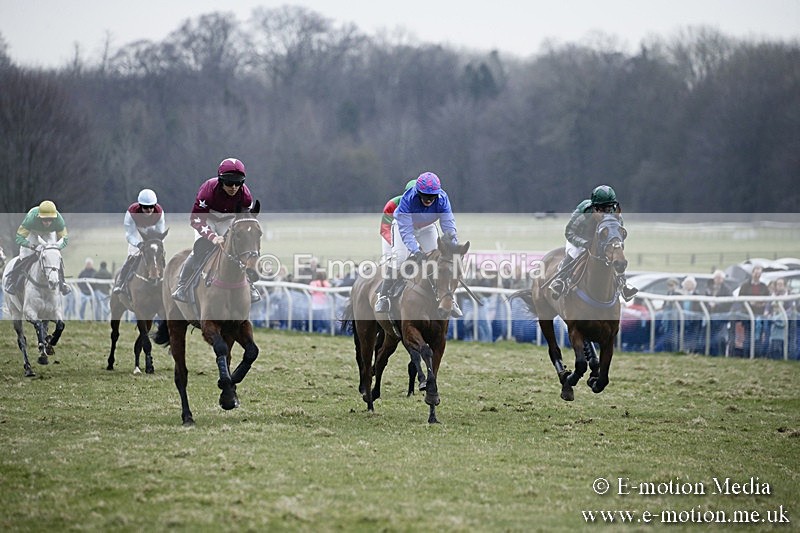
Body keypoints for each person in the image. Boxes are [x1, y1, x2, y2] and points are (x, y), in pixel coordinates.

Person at [172, 157, 260, 303]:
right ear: (220, 181)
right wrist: (213, 237)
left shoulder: (245, 196)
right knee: (199, 250)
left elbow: (244, 222)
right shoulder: (207, 191)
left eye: (238, 183)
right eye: (229, 183)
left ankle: (250, 285)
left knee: (238, 251)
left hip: (229, 221)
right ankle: (182, 285)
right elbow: (196, 219)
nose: (234, 187)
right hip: (207, 220)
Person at [374, 171, 463, 317]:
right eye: (425, 196)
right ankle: (383, 296)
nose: (428, 200)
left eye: (432, 196)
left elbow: (448, 226)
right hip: (404, 226)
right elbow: (406, 232)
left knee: (440, 257)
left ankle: (449, 299)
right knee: (401, 258)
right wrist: (416, 251)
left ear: (437, 194)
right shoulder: (408, 200)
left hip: (427, 227)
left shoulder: (442, 199)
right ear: (418, 192)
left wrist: (453, 248)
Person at [548, 185, 637, 302]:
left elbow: (618, 235)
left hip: (602, 242)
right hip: (579, 239)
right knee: (574, 252)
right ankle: (560, 280)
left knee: (616, 256)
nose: (607, 211)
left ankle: (623, 285)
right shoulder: (584, 212)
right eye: (602, 208)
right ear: (594, 206)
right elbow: (569, 232)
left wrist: (616, 246)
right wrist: (584, 243)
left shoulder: (616, 214)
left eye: (609, 207)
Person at [5, 200, 71, 296]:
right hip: (32, 233)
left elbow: (65, 240)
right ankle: (11, 281)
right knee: (24, 256)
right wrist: (32, 246)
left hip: (49, 234)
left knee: (54, 256)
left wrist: (55, 247)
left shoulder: (59, 220)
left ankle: (63, 283)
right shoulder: (31, 217)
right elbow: (19, 238)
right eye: (45, 219)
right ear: (39, 217)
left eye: (50, 220)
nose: (48, 222)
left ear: (54, 217)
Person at [112, 188, 167, 296]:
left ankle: (165, 281)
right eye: (146, 207)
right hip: (137, 232)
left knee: (158, 254)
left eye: (152, 206)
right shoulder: (131, 212)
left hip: (153, 233)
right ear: (140, 206)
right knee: (132, 256)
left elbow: (160, 234)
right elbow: (129, 235)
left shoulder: (159, 212)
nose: (149, 209)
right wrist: (139, 244)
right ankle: (121, 282)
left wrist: (157, 244)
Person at [380, 179, 417, 264]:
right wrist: (396, 245)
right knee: (394, 260)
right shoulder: (392, 205)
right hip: (391, 233)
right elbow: (385, 229)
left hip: (412, 234)